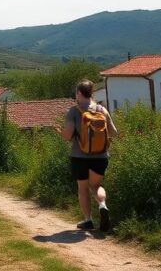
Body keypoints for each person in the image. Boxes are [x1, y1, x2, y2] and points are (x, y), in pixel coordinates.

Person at [60, 79, 118, 232]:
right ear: (91, 93)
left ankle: (88, 220)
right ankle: (102, 205)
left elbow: (67, 136)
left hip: (79, 156)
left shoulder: (74, 111)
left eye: (76, 93)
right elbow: (114, 132)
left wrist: (62, 133)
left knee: (83, 188)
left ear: (79, 93)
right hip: (101, 156)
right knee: (96, 185)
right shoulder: (102, 110)